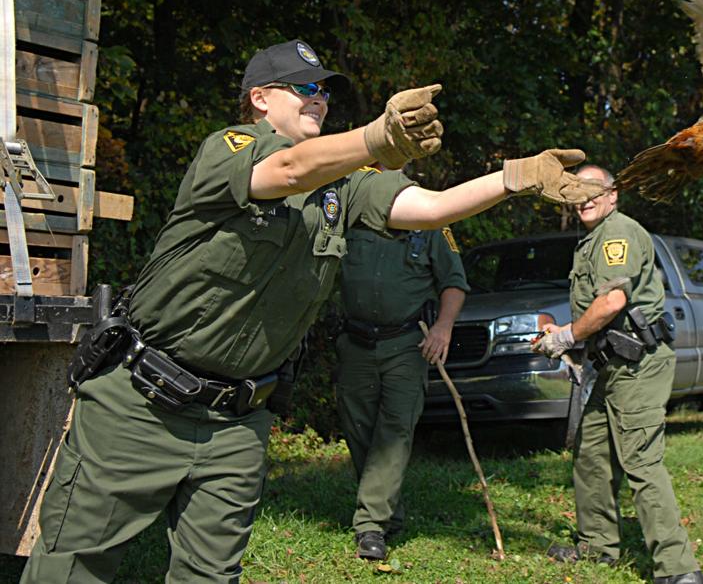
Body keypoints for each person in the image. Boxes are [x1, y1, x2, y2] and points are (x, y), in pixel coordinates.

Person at [21, 38, 603, 583]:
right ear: (260, 98)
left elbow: (432, 208)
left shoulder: (343, 187)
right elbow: (288, 170)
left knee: (210, 575)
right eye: (305, 88)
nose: (320, 99)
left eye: (324, 91)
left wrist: (513, 177)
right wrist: (380, 136)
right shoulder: (231, 148)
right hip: (143, 406)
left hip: (238, 422)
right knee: (71, 567)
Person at [535, 165, 703, 584]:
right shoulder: (590, 240)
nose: (586, 197)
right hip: (610, 366)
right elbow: (596, 314)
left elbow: (611, 302)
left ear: (613, 195)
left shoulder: (616, 234)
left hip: (639, 366)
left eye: (595, 189)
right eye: (577, 190)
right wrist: (565, 334)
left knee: (640, 461)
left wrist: (567, 337)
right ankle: (597, 547)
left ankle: (679, 570)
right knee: (592, 454)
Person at [336, 221, 468, 561]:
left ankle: (370, 524)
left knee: (395, 430)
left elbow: (454, 283)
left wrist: (444, 327)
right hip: (355, 342)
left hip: (408, 344)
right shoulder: (354, 217)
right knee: (358, 428)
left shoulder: (432, 224)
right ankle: (386, 510)